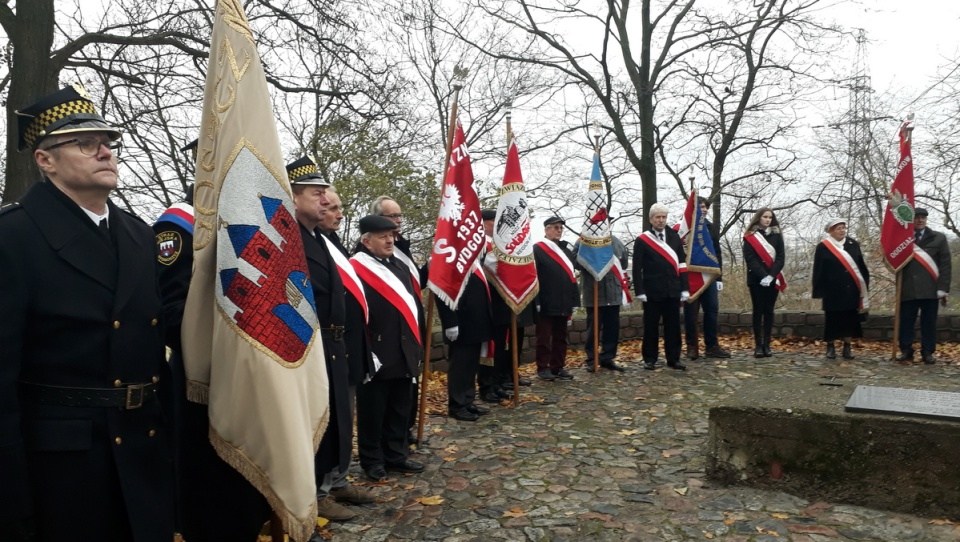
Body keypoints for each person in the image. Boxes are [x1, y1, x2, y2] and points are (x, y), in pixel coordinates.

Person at [0, 85, 175, 541]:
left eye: (108, 142)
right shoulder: (14, 237)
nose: (104, 151)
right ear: (45, 160)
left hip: (143, 446)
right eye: (85, 143)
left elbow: (154, 351)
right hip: (62, 465)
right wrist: (9, 497)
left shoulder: (139, 236)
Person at [288, 157, 370, 521]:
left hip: (333, 345)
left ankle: (334, 480)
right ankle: (314, 494)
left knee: (337, 417)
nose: (325, 201)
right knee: (315, 421)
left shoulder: (320, 238)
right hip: (307, 347)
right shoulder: (287, 238)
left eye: (326, 194)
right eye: (316, 194)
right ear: (291, 198)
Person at [316, 187, 378, 507]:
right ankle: (321, 489)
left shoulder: (333, 243)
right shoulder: (307, 242)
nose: (340, 214)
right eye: (333, 207)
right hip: (322, 349)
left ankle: (338, 479)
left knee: (344, 418)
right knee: (326, 423)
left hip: (347, 345)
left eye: (341, 208)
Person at [351, 215, 425, 482]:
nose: (390, 240)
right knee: (373, 411)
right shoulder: (356, 268)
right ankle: (372, 461)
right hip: (376, 351)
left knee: (399, 407)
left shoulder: (398, 266)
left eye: (391, 235)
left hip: (403, 348)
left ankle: (395, 455)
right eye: (383, 236)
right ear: (366, 240)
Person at [479, 210, 533, 402]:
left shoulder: (499, 244)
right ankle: (489, 385)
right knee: (492, 348)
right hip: (490, 302)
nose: (496, 225)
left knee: (502, 346)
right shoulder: (481, 244)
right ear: (483, 223)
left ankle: (498, 382)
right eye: (492, 221)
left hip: (504, 303)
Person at [434, 260, 494, 421]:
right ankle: (457, 405)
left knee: (470, 366)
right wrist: (450, 322)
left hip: (476, 323)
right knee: (460, 366)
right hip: (461, 322)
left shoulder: (472, 258)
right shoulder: (451, 259)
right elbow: (442, 290)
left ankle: (467, 401)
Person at [633, 203, 690, 371]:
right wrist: (640, 291)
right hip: (652, 291)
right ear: (651, 219)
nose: (661, 220)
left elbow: (682, 263)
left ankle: (674, 358)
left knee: (673, 327)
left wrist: (685, 287)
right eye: (658, 217)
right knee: (651, 326)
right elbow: (637, 268)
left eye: (664, 217)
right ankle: (650, 358)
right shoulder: (643, 240)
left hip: (673, 289)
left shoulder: (674, 236)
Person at [897, 207, 952, 364]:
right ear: (912, 220)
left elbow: (945, 265)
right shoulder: (903, 239)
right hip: (908, 288)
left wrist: (943, 288)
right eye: (917, 217)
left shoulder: (938, 238)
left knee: (928, 323)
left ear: (926, 219)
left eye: (923, 217)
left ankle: (927, 352)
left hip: (931, 289)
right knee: (906, 322)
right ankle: (906, 350)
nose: (920, 220)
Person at [812, 219, 870, 360]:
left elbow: (861, 266)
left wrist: (865, 287)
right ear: (831, 231)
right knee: (832, 320)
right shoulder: (823, 247)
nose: (842, 230)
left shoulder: (853, 244)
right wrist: (818, 290)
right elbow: (818, 269)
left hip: (851, 289)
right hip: (832, 290)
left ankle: (847, 347)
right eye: (839, 228)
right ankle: (830, 347)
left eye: (844, 228)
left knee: (850, 319)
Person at [532, 217, 580, 381]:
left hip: (564, 301)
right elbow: (534, 277)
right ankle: (543, 367)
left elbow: (572, 277)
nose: (559, 230)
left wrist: (575, 301)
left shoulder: (567, 251)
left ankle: (557, 367)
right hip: (546, 301)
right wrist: (536, 301)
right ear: (546, 230)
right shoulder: (537, 249)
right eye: (555, 227)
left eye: (560, 228)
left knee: (561, 337)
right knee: (544, 338)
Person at [684, 197, 731, 360]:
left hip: (709, 277)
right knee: (690, 314)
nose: (704, 210)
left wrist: (719, 278)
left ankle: (712, 346)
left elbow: (717, 254)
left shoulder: (710, 228)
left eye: (706, 207)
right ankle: (691, 346)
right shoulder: (685, 228)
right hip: (690, 277)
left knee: (711, 311)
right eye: (701, 207)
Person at [574, 236, 629, 372]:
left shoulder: (616, 241)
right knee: (593, 329)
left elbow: (624, 263)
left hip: (613, 292)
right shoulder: (583, 240)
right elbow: (576, 262)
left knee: (612, 328)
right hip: (594, 292)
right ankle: (592, 359)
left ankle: (607, 358)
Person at [742, 207, 786, 358]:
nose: (768, 219)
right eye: (765, 217)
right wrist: (762, 276)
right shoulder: (750, 236)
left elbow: (780, 257)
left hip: (772, 279)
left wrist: (771, 276)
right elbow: (751, 260)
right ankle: (758, 345)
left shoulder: (777, 235)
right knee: (758, 310)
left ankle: (767, 344)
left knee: (769, 311)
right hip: (756, 279)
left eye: (770, 217)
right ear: (758, 218)